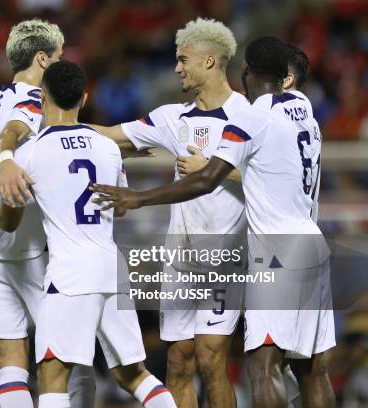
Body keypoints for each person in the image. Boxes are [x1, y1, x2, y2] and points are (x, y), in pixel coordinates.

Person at [90, 36, 336, 408]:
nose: (177, 68)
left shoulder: (249, 117)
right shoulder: (303, 110)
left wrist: (138, 197)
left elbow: (207, 180)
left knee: (262, 366)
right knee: (312, 370)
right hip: (310, 244)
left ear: (246, 72)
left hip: (274, 252)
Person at [0, 60, 177, 408]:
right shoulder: (107, 147)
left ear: (42, 97)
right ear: (83, 99)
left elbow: (8, 221)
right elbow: (119, 206)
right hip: (112, 268)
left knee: (53, 375)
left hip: (70, 274)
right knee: (133, 375)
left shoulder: (31, 151)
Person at [87, 18, 248, 408]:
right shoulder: (171, 118)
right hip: (181, 258)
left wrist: (213, 170)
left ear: (209, 61)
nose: (176, 68)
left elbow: (274, 179)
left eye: (183, 59)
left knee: (211, 359)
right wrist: (55, 124)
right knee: (178, 360)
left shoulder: (248, 115)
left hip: (226, 257)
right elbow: (109, 135)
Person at [0, 19, 95, 408]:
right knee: (70, 359)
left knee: (11, 364)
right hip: (28, 251)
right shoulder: (32, 98)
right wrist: (7, 156)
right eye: (59, 57)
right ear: (42, 58)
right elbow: (19, 127)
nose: (62, 64)